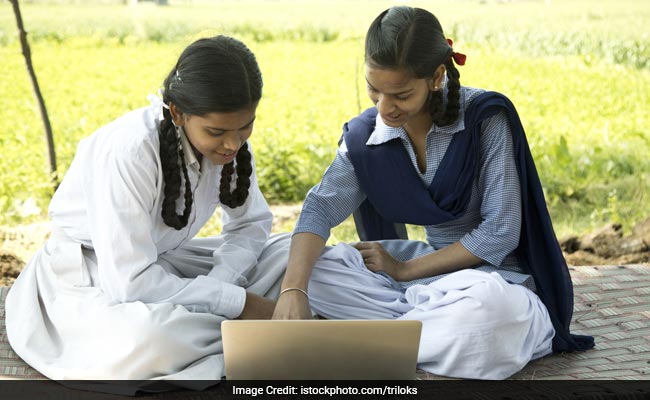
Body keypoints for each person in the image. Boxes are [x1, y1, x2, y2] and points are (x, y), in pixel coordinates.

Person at [272, 6, 594, 380]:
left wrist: (405, 269)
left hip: (491, 281)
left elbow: (500, 232)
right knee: (301, 264)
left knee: (486, 314)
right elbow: (320, 209)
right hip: (421, 287)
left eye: (400, 95)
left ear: (436, 76)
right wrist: (293, 289)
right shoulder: (366, 136)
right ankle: (413, 336)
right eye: (373, 90)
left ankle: (357, 340)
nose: (383, 107)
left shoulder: (484, 120)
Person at [6, 35, 290, 384]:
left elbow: (249, 226)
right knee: (152, 339)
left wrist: (222, 281)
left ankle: (228, 329)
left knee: (293, 254)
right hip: (95, 272)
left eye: (246, 126)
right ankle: (256, 335)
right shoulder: (130, 152)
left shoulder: (229, 146)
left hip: (165, 261)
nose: (234, 142)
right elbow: (130, 282)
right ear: (178, 113)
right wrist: (239, 302)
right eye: (217, 131)